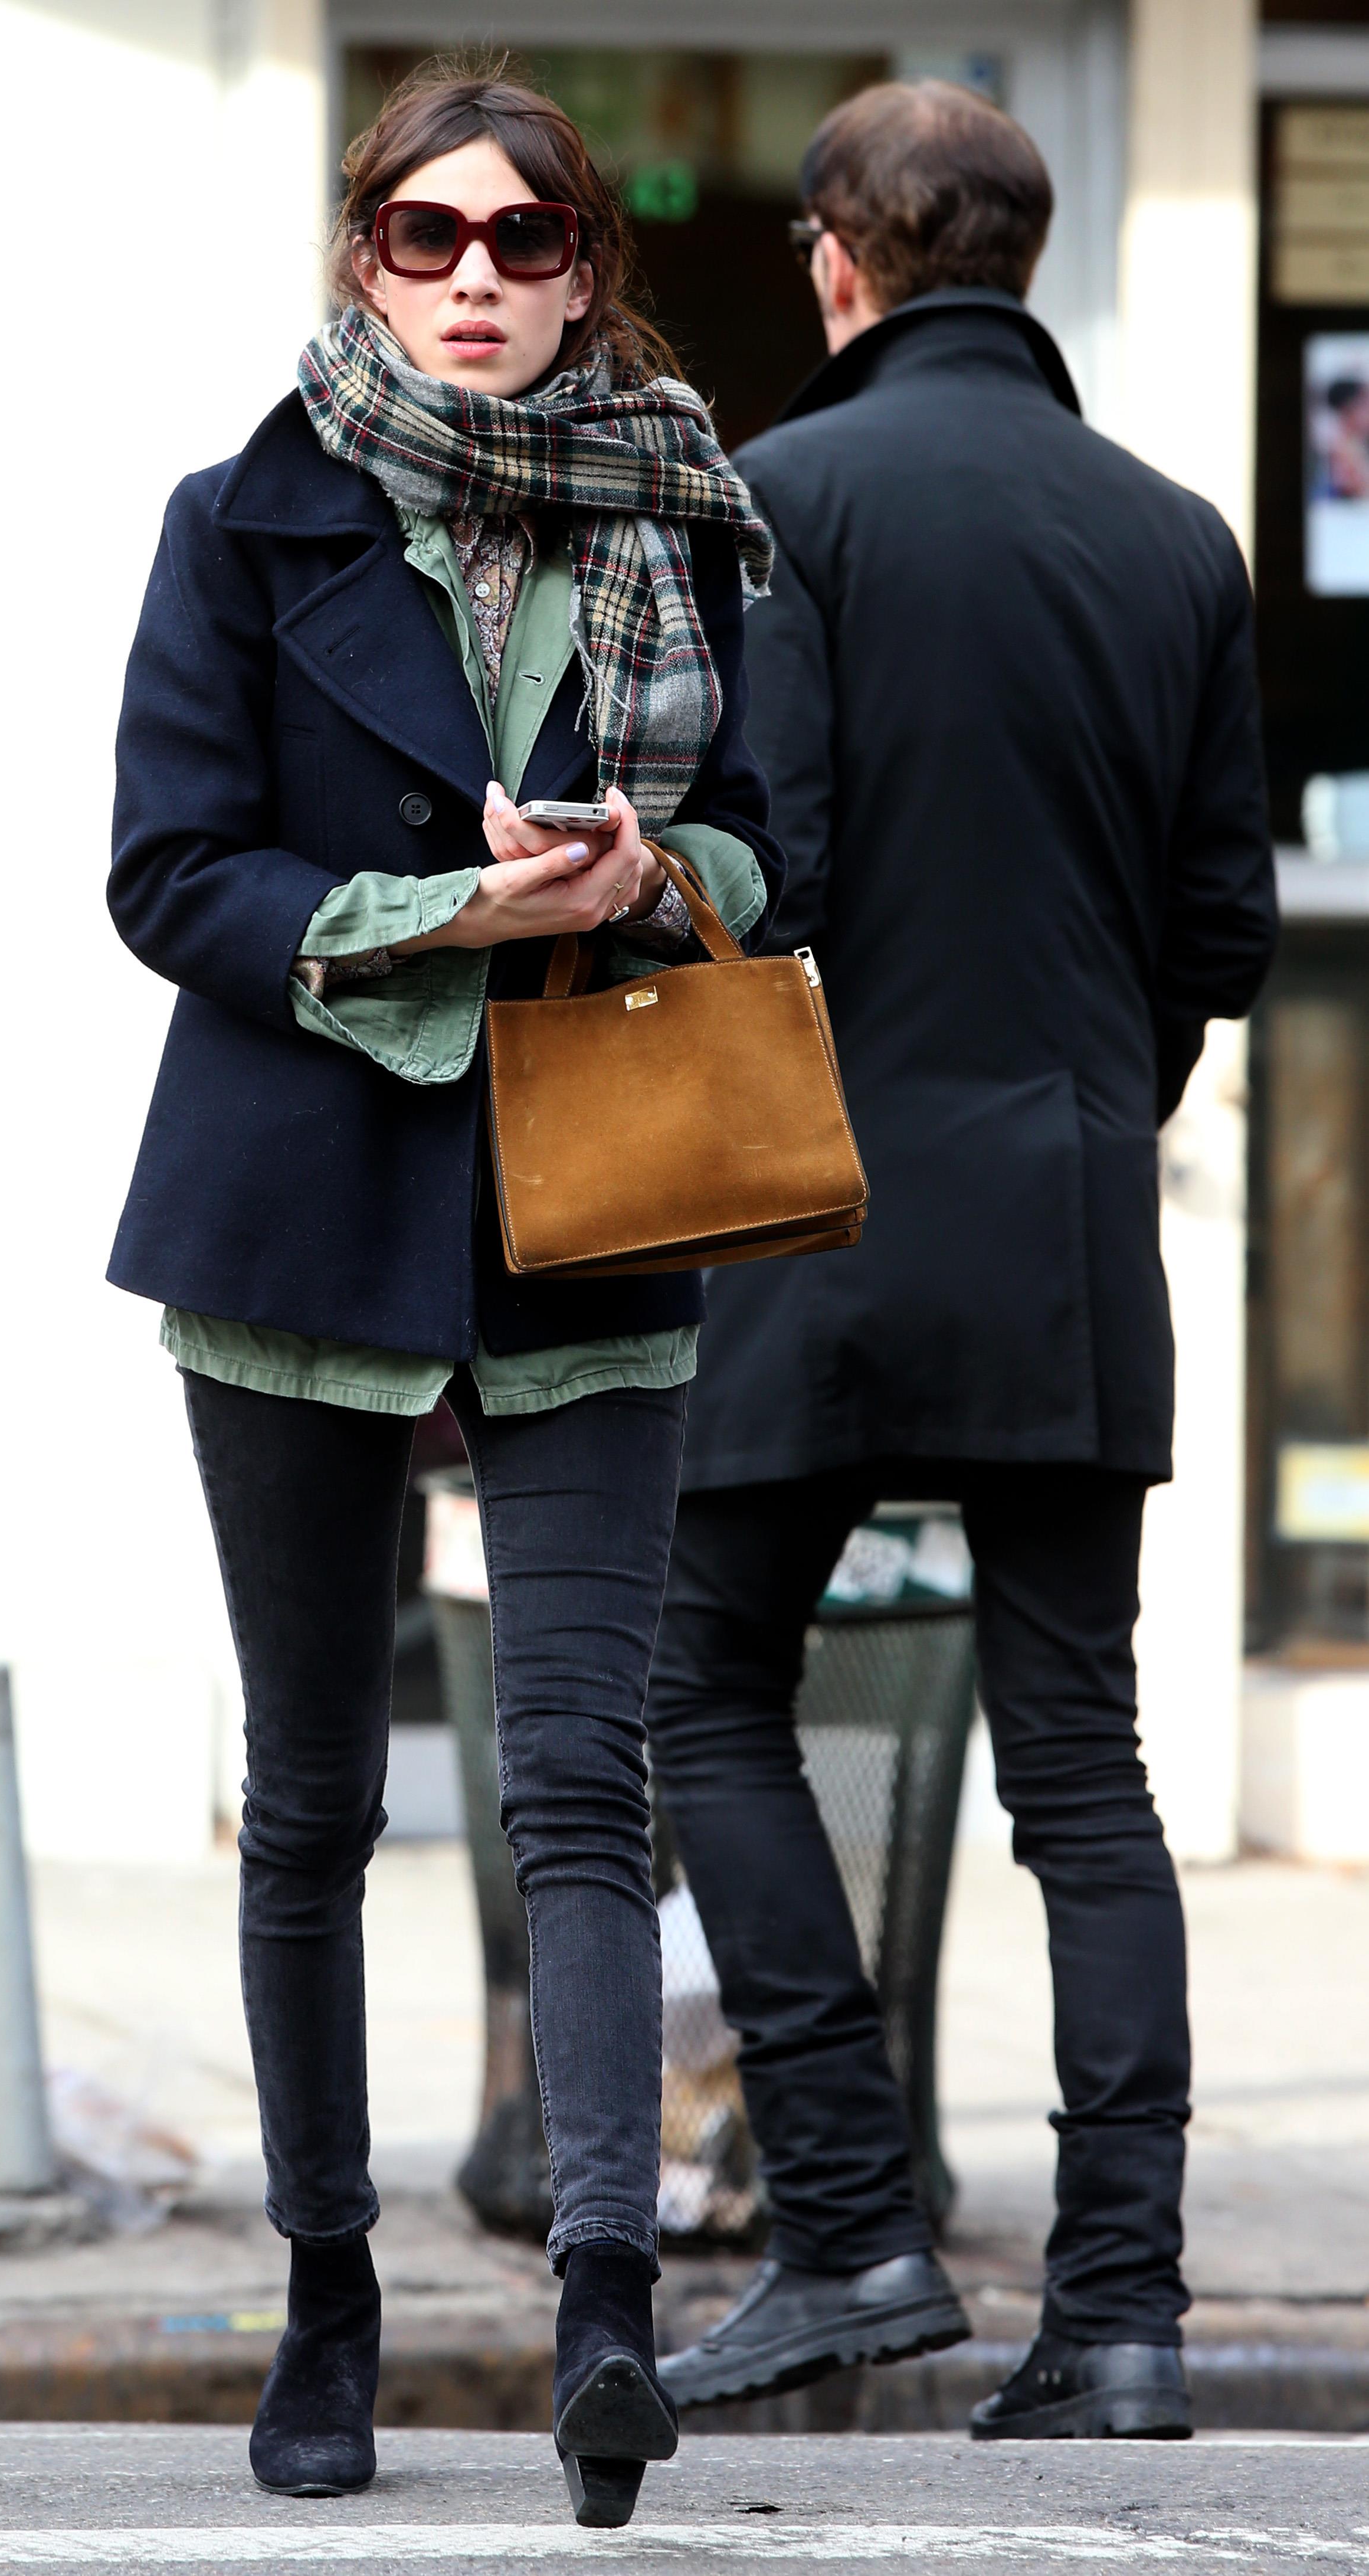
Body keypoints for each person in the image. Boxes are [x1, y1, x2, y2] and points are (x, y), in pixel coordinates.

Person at [106, 63, 781, 2526]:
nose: (472, 276)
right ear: (360, 258)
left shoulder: (687, 527)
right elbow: (169, 875)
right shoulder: (238, 520)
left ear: (586, 268)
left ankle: (607, 2306)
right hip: (292, 1215)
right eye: (422, 235)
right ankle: (327, 2297)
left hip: (582, 1198)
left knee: (571, 1783)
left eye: (519, 239)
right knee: (307, 1806)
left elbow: (765, 840)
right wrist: (433, 917)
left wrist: (640, 868)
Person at [646, 79, 1278, 2441]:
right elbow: (1213, 927)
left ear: (837, 262)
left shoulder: (773, 502)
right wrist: (1084, 1130)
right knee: (1085, 1774)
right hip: (1059, 1221)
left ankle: (844, 2221)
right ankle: (1115, 2318)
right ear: (1015, 254)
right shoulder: (1175, 538)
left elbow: (760, 870)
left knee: (699, 1695)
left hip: (796, 1211)